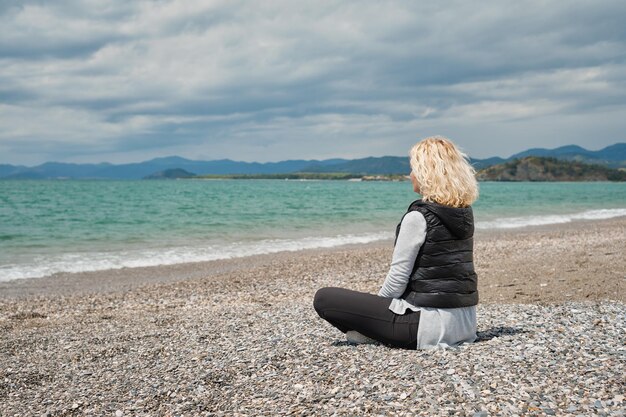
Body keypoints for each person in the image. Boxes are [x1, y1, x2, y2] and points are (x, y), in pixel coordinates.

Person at [313, 136, 479, 349]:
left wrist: (376, 314)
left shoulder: (418, 217)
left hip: (429, 327)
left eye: (414, 169)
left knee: (324, 298)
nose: (410, 175)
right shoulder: (463, 213)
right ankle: (374, 331)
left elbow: (397, 280)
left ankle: (372, 333)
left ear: (426, 173)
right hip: (465, 324)